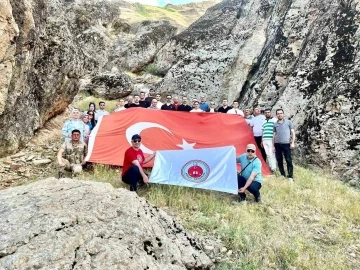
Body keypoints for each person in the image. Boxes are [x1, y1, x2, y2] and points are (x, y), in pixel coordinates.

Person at [273, 109, 295, 182]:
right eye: (278, 113)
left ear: (283, 114)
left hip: (286, 144)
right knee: (279, 160)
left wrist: (292, 142)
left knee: (288, 160)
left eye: (281, 113)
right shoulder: (275, 124)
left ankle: (290, 176)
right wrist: (273, 146)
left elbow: (292, 133)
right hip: (277, 144)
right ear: (276, 115)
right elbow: (274, 135)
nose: (280, 115)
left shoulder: (288, 122)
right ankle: (282, 174)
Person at [262, 108, 277, 173]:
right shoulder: (264, 121)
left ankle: (274, 168)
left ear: (270, 113)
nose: (267, 113)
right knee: (268, 154)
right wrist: (261, 141)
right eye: (266, 112)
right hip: (264, 139)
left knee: (271, 154)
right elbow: (263, 131)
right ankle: (271, 167)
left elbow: (276, 130)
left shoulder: (274, 120)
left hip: (271, 139)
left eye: (268, 112)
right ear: (264, 114)